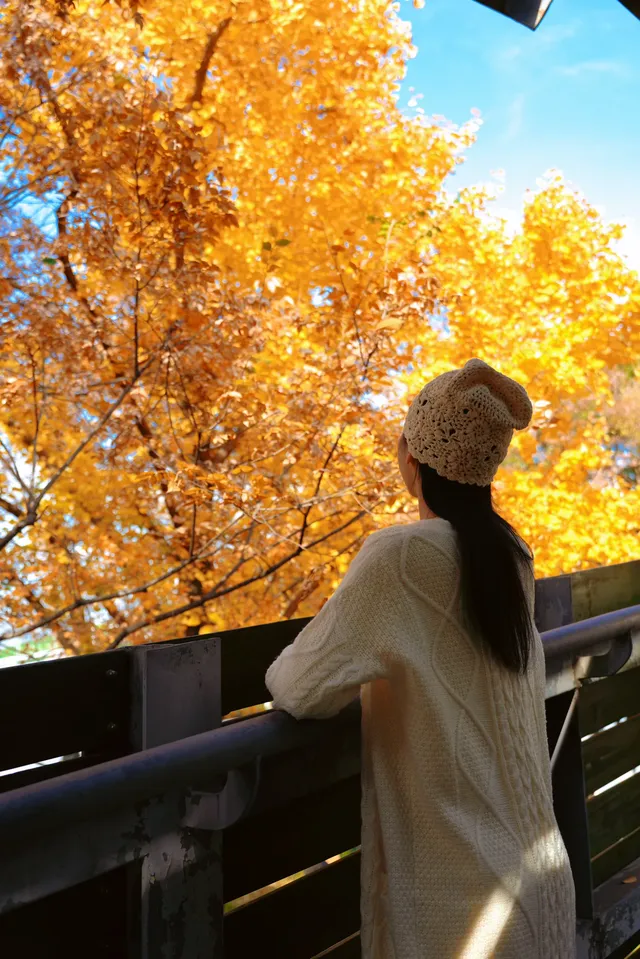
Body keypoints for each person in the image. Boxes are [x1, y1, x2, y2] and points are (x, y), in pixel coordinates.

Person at [265, 358, 576, 959]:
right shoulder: (511, 555)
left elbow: (301, 688)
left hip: (468, 912)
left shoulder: (400, 557)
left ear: (414, 458)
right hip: (544, 886)